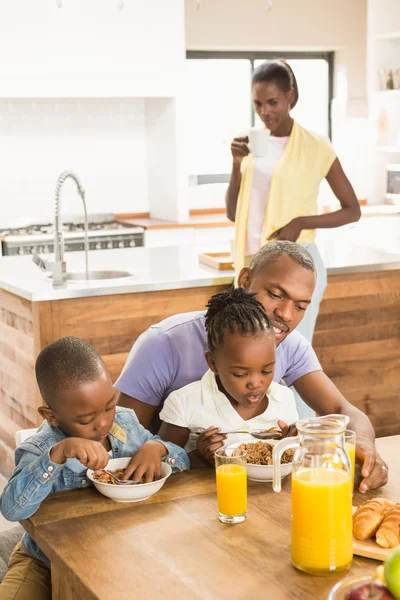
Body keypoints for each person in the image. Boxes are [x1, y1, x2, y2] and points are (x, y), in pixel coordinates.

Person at [116, 241, 389, 493]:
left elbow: (342, 410)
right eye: (275, 294)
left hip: (255, 494)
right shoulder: (164, 343)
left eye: (300, 306)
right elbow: (121, 441)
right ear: (245, 280)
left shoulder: (291, 346)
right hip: (172, 496)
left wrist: (364, 446)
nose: (286, 314)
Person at [0, 337, 189, 600]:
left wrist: (158, 449)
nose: (103, 423)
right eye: (86, 419)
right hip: (45, 560)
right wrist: (57, 455)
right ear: (51, 415)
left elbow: (183, 462)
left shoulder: (126, 425)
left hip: (117, 555)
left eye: (109, 405)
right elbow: (12, 509)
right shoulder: (41, 449)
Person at [225, 59, 361, 416]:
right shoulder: (252, 146)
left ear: (290, 96)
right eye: (258, 103)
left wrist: (300, 222)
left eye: (273, 102)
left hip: (298, 266)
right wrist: (237, 165)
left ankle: (298, 435)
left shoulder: (316, 146)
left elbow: (352, 208)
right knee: (246, 353)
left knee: (293, 355)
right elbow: (233, 211)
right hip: (254, 265)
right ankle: (251, 436)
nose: (265, 111)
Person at [158, 288, 298, 464]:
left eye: (266, 371)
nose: (256, 383)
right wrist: (198, 458)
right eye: (240, 374)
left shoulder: (284, 400)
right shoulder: (184, 403)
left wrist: (290, 445)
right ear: (213, 363)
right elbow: (163, 464)